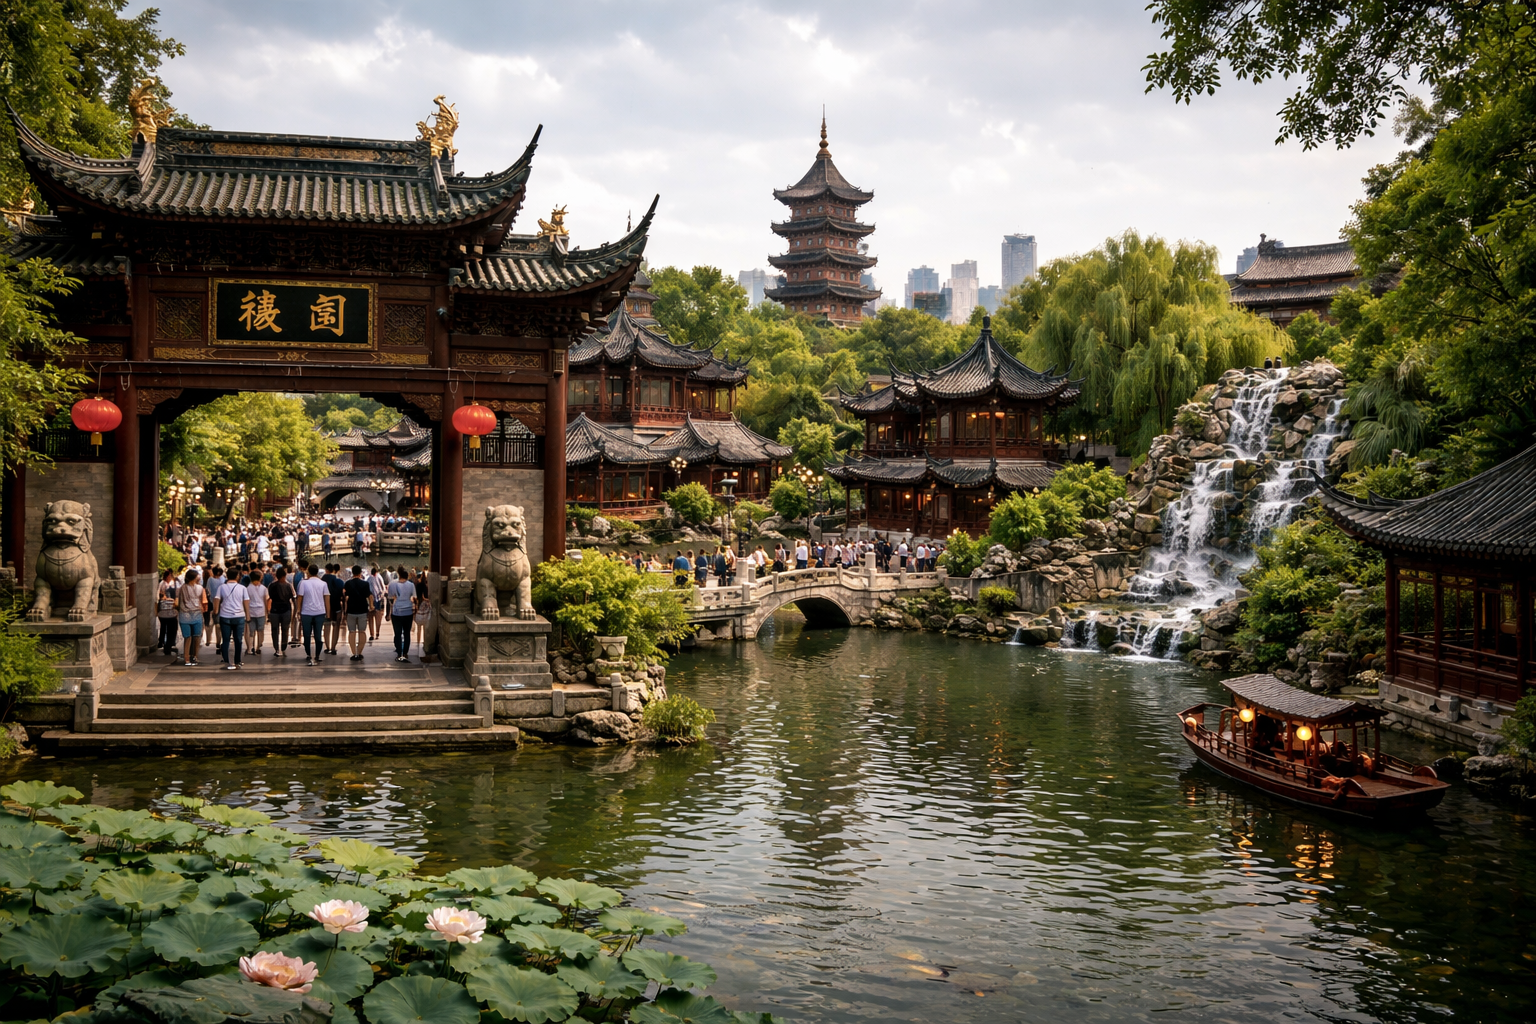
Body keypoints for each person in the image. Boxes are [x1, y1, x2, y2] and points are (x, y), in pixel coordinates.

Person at [214, 572, 251, 670]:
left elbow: (217, 599)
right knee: (238, 640)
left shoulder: (221, 587)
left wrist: (216, 611)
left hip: (225, 616)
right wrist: (248, 615)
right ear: (237, 576)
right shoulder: (242, 588)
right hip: (239, 616)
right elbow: (246, 602)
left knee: (225, 639)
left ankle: (226, 659)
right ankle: (237, 660)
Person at [296, 563, 331, 666]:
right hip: (320, 612)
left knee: (306, 635)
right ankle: (317, 655)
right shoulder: (323, 584)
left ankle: (308, 654)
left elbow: (300, 597)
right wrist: (328, 613)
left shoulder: (303, 583)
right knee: (318, 635)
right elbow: (327, 598)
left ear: (308, 572)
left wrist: (298, 610)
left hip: (306, 612)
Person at [175, 567, 206, 666]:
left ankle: (186, 658)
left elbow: (177, 603)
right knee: (197, 637)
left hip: (184, 615)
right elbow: (203, 601)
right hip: (197, 614)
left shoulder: (180, 589)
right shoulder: (200, 588)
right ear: (195, 578)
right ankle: (195, 656)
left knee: (187, 638)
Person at [341, 566, 372, 662]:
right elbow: (369, 595)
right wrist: (371, 606)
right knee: (362, 631)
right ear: (360, 573)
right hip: (362, 610)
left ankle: (354, 653)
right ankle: (360, 652)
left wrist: (344, 612)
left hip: (351, 610)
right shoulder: (365, 584)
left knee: (352, 632)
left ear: (352, 573)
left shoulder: (348, 583)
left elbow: (345, 598)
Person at [387, 568, 418, 662]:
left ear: (399, 576)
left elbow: (390, 598)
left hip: (396, 612)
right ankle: (405, 653)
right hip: (408, 611)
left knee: (398, 633)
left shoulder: (393, 584)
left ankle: (399, 653)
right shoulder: (411, 585)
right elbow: (414, 597)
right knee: (407, 633)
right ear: (407, 576)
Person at [267, 567, 295, 658]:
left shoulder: (272, 585)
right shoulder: (288, 585)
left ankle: (276, 648)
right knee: (285, 629)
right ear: (284, 575)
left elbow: (270, 597)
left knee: (274, 630)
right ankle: (283, 646)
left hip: (274, 609)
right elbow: (292, 597)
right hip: (286, 609)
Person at [154, 568, 180, 658]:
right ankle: (165, 644)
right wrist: (156, 610)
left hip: (172, 609)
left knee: (171, 629)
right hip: (164, 609)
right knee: (165, 628)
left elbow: (177, 596)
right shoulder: (162, 584)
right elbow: (157, 598)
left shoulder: (175, 584)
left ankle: (168, 644)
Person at [323, 563, 345, 655]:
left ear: (326, 570)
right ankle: (333, 647)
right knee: (336, 627)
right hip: (337, 607)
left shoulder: (322, 580)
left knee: (326, 627)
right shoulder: (340, 581)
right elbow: (343, 596)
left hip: (325, 607)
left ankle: (327, 647)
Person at [245, 571, 269, 656]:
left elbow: (246, 601)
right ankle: (259, 647)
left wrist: (246, 612)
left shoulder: (247, 588)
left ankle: (251, 647)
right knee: (260, 630)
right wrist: (267, 612)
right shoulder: (264, 588)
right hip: (261, 612)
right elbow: (266, 601)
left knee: (251, 631)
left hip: (251, 612)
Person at [411, 574, 433, 655]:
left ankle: (418, 641)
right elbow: (424, 597)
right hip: (424, 611)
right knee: (424, 627)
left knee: (419, 628)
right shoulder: (425, 587)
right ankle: (423, 641)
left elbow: (415, 598)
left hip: (418, 610)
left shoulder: (417, 587)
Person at [367, 563, 387, 642]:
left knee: (371, 617)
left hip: (371, 599)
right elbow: (383, 589)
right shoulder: (379, 577)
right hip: (379, 599)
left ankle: (372, 634)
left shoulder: (369, 578)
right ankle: (377, 632)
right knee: (378, 617)